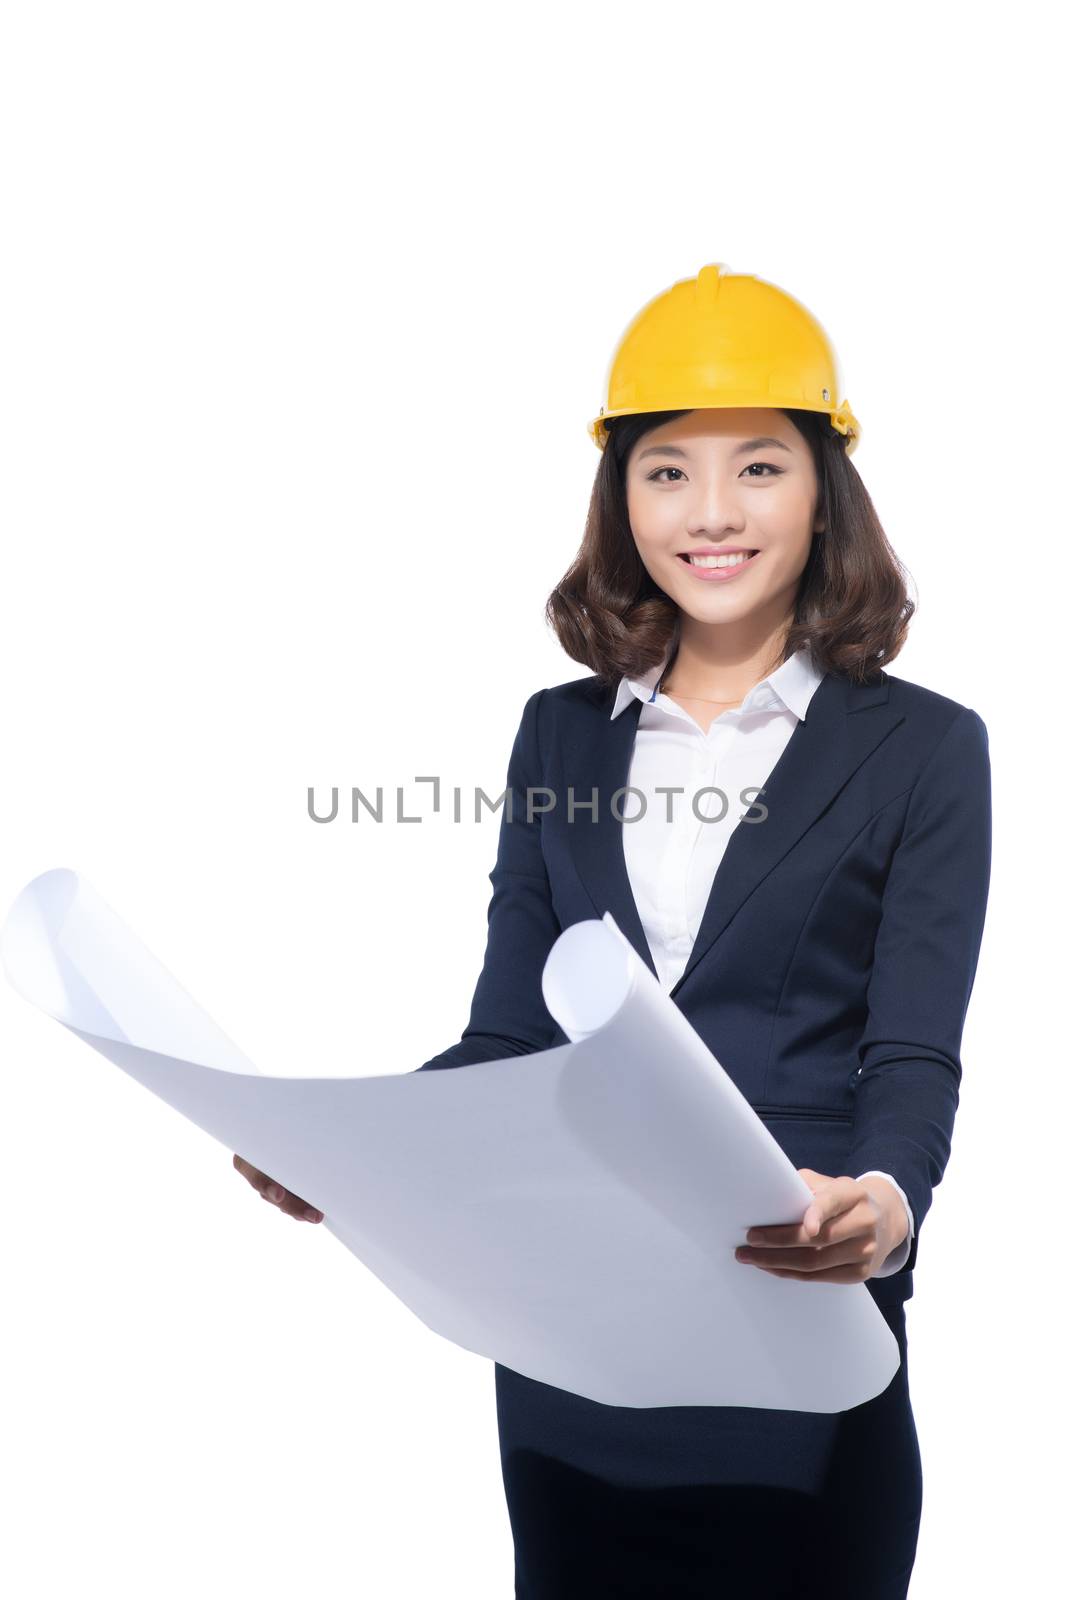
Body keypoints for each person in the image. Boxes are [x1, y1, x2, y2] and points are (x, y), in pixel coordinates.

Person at [235, 263, 993, 1597]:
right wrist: (357, 1154)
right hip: (571, 1355)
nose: (711, 514)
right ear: (620, 497)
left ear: (825, 490)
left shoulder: (925, 749)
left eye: (758, 468)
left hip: (797, 1347)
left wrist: (887, 1203)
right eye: (666, 472)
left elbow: (912, 1052)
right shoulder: (562, 734)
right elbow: (511, 1035)